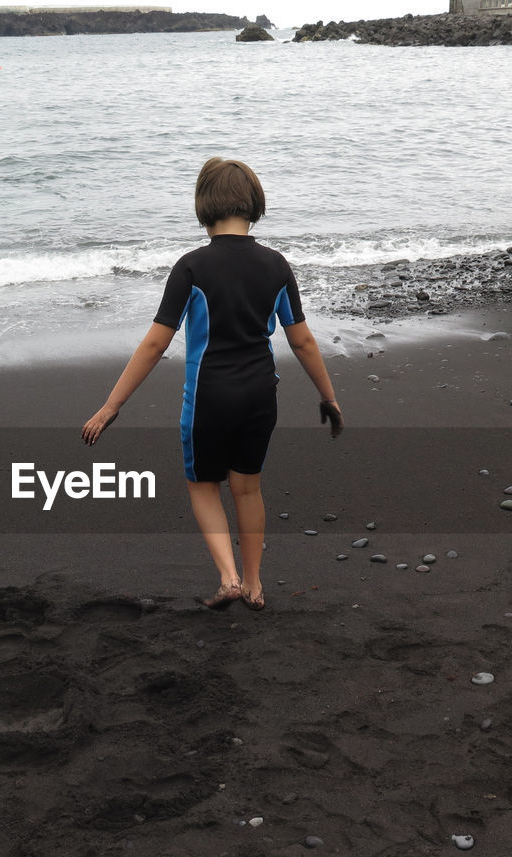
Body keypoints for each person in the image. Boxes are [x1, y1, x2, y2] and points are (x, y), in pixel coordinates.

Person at [81, 157, 342, 611]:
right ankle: (256, 585)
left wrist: (111, 405)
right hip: (261, 393)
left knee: (203, 484)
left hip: (209, 397)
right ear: (254, 204)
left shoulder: (192, 267)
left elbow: (154, 344)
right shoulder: (276, 265)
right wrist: (329, 396)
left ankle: (229, 578)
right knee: (248, 488)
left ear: (203, 206)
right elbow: (301, 340)